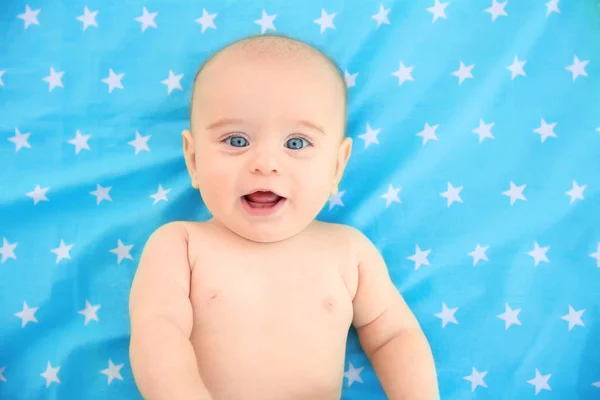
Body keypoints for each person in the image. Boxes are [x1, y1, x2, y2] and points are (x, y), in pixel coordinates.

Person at [128, 33, 439, 400]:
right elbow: (157, 331)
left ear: (337, 166)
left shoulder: (349, 251)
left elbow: (394, 335)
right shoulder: (180, 245)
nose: (265, 164)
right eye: (237, 141)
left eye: (296, 143)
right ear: (194, 161)